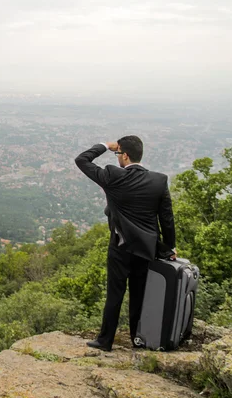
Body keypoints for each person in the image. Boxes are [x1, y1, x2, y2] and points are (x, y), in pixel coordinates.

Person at [74, 135, 176, 351]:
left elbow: (82, 160)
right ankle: (137, 340)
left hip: (120, 246)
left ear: (126, 155)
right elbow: (166, 218)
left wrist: (104, 145)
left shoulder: (113, 176)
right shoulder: (159, 181)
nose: (117, 156)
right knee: (139, 296)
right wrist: (169, 248)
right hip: (147, 249)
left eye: (118, 153)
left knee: (115, 294)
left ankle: (105, 341)